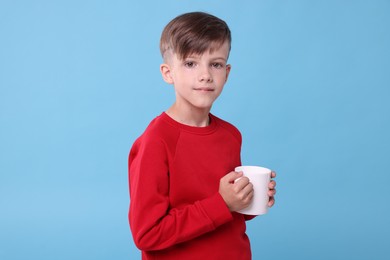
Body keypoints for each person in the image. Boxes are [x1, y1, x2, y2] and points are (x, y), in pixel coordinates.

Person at [128, 11, 277, 260]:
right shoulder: (156, 141)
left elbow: (229, 210)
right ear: (168, 73)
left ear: (226, 73)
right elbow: (147, 234)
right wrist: (223, 203)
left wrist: (248, 198)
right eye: (190, 63)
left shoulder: (231, 135)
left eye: (215, 64)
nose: (205, 74)